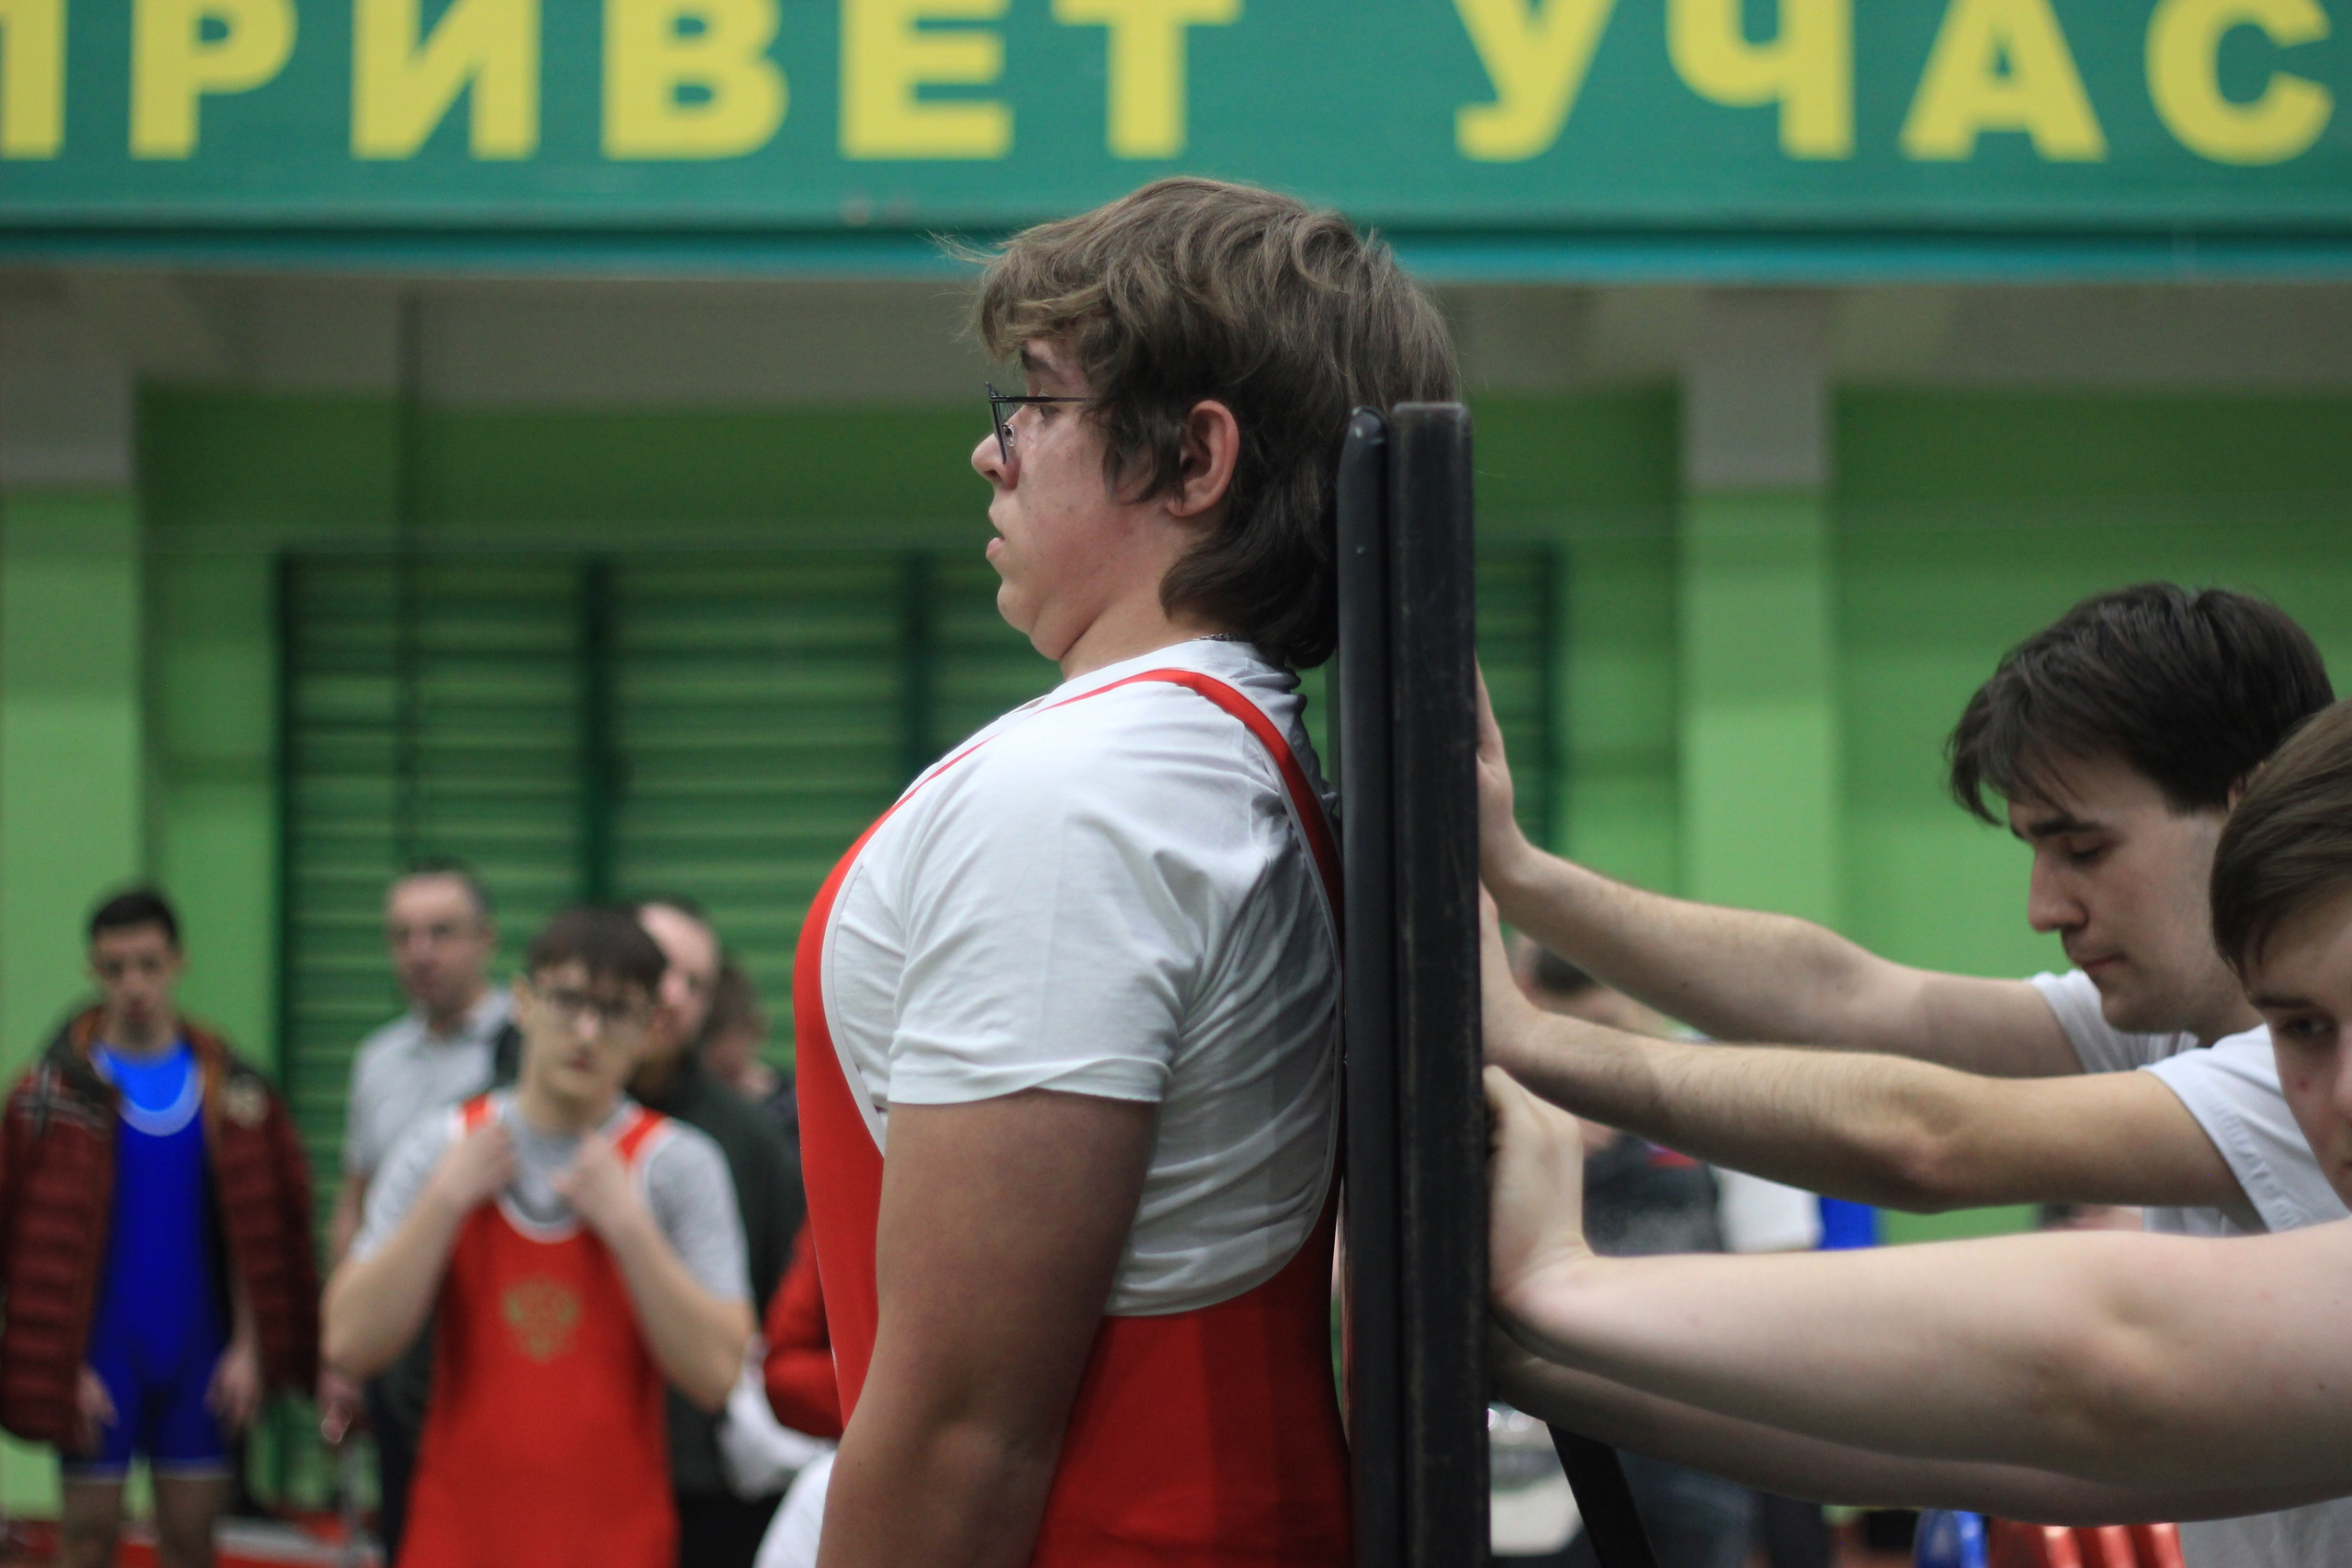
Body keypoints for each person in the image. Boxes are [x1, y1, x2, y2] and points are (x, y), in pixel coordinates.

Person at [797, 175, 1454, 1567]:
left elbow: (963, 1433)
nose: (997, 454)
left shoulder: (1088, 800)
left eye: (1035, 403)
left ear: (1193, 461)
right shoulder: (1217, 762)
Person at [1478, 584, 2341, 1565]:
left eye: (2083, 848)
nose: (2043, 906)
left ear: (2250, 800)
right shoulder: (2178, 1030)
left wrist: (1534, 1050)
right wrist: (1514, 871)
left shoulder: (2292, 1079)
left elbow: (1929, 1143)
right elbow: (1846, 999)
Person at [323, 905, 753, 1568]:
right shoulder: (443, 1145)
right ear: (523, 1001)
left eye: (615, 1011)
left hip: (618, 1543)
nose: (586, 1029)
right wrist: (443, 1202)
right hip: (457, 1539)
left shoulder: (678, 1165)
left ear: (647, 1029)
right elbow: (349, 1342)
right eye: (569, 1000)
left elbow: (719, 1375)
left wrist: (631, 1227)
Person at [0, 890, 318, 1568]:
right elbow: (21, 1239)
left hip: (198, 1353)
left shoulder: (234, 1090)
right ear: (93, 969)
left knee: (191, 1541)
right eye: (115, 968)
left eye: (148, 964)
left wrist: (251, 1348)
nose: (134, 984)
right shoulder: (51, 1095)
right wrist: (60, 1362)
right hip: (98, 1356)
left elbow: (261, 1229)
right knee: (84, 1540)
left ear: (178, 961)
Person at [320, 862, 509, 1558]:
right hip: (400, 1332)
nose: (420, 951)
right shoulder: (377, 1060)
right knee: (408, 1526)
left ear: (486, 939)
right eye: (402, 935)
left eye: (441, 932)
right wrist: (339, 1349)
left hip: (496, 1332)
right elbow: (356, 1200)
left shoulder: (527, 1046)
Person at [631, 899, 808, 1568]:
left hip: (704, 1476)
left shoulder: (747, 1137)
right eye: (657, 970)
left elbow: (776, 1310)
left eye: (695, 983)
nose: (672, 996)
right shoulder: (538, 1123)